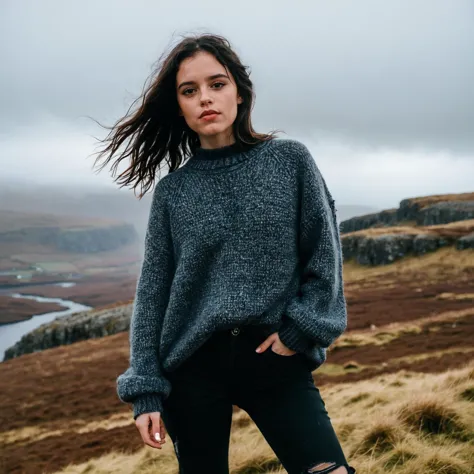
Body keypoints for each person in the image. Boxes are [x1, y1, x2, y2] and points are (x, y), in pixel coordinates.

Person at [93, 33, 356, 474]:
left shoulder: (290, 161)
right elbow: (154, 294)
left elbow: (324, 259)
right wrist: (146, 391)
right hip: (192, 371)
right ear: (179, 106)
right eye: (189, 91)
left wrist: (299, 333)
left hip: (273, 359)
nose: (205, 99)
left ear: (240, 91)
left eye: (217, 84)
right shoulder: (173, 192)